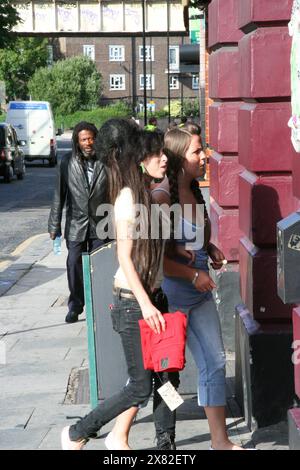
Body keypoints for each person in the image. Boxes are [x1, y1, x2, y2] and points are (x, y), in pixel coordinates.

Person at [61, 120, 179, 450]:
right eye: (156, 154)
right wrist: (146, 305)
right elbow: (124, 257)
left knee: (167, 377)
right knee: (141, 387)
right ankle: (77, 432)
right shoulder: (128, 198)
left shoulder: (148, 195)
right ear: (140, 160)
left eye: (163, 153)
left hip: (152, 298)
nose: (163, 159)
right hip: (133, 304)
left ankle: (164, 445)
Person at [152, 126, 245, 450]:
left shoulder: (193, 189)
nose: (204, 155)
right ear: (178, 158)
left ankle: (220, 440)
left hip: (200, 295)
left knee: (215, 362)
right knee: (158, 374)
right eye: (196, 151)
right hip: (173, 297)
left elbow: (193, 243)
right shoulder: (161, 198)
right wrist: (192, 276)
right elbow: (157, 261)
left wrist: (212, 249)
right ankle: (117, 430)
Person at [48, 121, 109, 324]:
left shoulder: (106, 162)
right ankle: (75, 306)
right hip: (76, 223)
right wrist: (53, 225)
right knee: (74, 263)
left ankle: (100, 303)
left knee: (99, 265)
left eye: (91, 138)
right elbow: (59, 196)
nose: (88, 143)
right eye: (83, 139)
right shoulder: (66, 162)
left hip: (102, 223)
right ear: (77, 141)